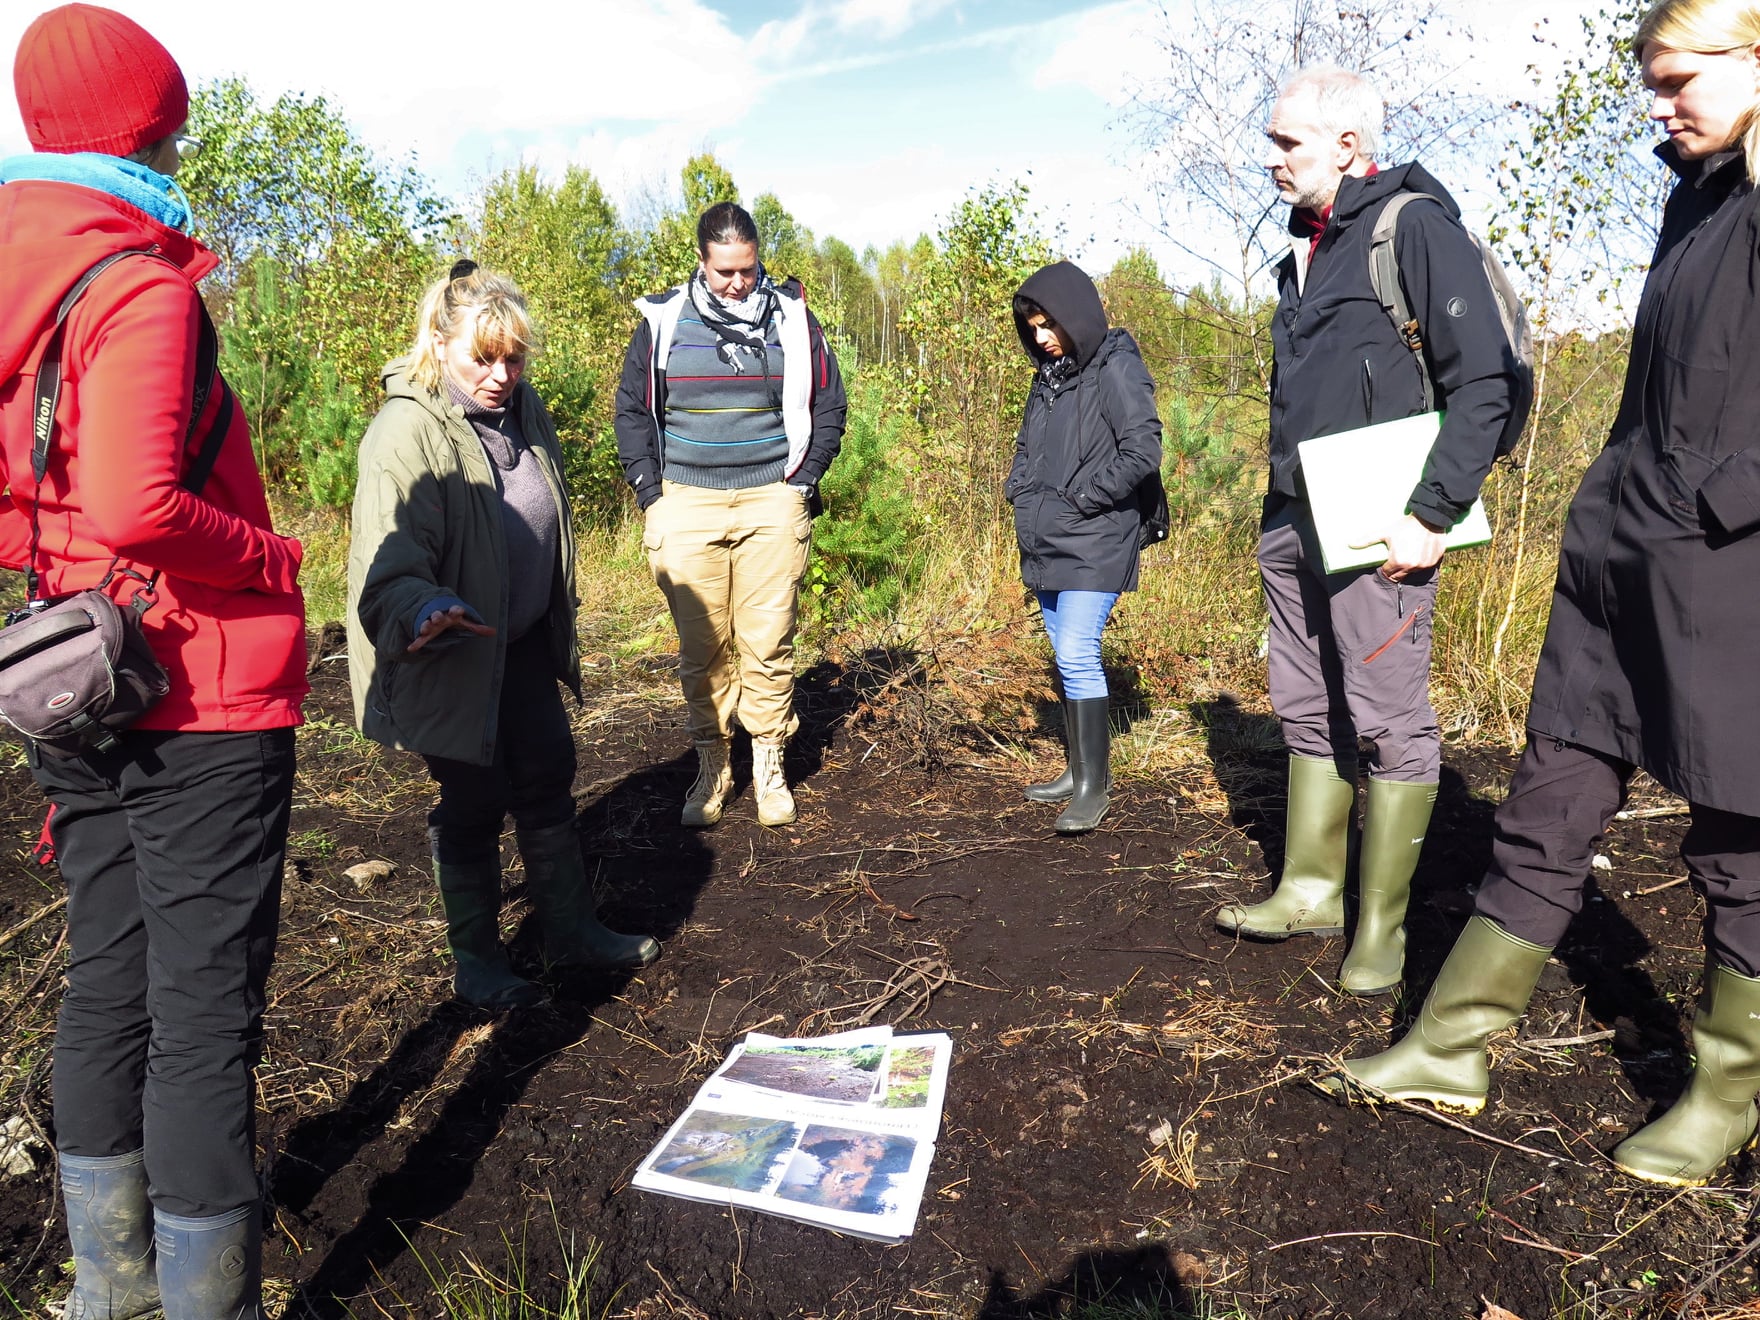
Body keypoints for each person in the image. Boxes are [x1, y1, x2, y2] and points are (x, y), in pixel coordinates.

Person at [1321, 0, 1760, 1188]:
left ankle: (1723, 1099)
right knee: (1548, 795)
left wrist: (1707, 506)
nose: (1656, 102)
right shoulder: (1698, 196)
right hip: (1615, 564)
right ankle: (1451, 1044)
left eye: (1676, 77)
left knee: (1738, 845)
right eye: (1648, 80)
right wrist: (1613, 502)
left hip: (1729, 579)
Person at [0, 6, 308, 1315]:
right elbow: (138, 505)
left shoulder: (21, 281)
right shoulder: (141, 286)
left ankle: (109, 1289)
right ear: (154, 127)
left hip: (69, 675)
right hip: (196, 686)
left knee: (107, 975)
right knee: (201, 1011)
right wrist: (272, 557)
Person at [1213, 67, 1524, 995]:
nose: (1269, 158)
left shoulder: (1411, 228)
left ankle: (1380, 931)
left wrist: (1431, 514)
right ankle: (1311, 885)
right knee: (1303, 702)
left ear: (1347, 145)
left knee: (1389, 718)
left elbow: (1485, 382)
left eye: (1286, 143)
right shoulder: (1306, 248)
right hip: (1293, 515)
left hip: (1381, 524)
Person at [348, 262, 659, 1014]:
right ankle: (479, 965)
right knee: (474, 798)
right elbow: (384, 563)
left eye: (513, 359)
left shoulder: (524, 407)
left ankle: (571, 932)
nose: (500, 375)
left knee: (549, 768)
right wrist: (423, 608)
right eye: (482, 359)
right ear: (439, 343)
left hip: (515, 642)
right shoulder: (405, 430)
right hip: (445, 647)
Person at [615, 202, 847, 829]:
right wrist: (651, 494)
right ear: (701, 261)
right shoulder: (663, 321)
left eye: (747, 269)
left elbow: (830, 402)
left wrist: (803, 482)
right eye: (724, 272)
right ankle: (714, 765)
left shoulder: (794, 319)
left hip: (772, 498)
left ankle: (769, 764)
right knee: (703, 646)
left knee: (768, 642)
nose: (738, 283)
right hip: (685, 501)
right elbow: (632, 413)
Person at [1005, 262, 1163, 834]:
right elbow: (1028, 445)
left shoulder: (1116, 365)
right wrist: (1017, 488)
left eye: (1050, 324)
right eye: (1033, 327)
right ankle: (1077, 772)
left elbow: (1143, 449)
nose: (1043, 337)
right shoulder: (1048, 375)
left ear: (1076, 314)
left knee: (1075, 650)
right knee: (1064, 652)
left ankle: (1095, 788)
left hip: (1096, 534)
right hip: (1047, 534)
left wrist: (1083, 498)